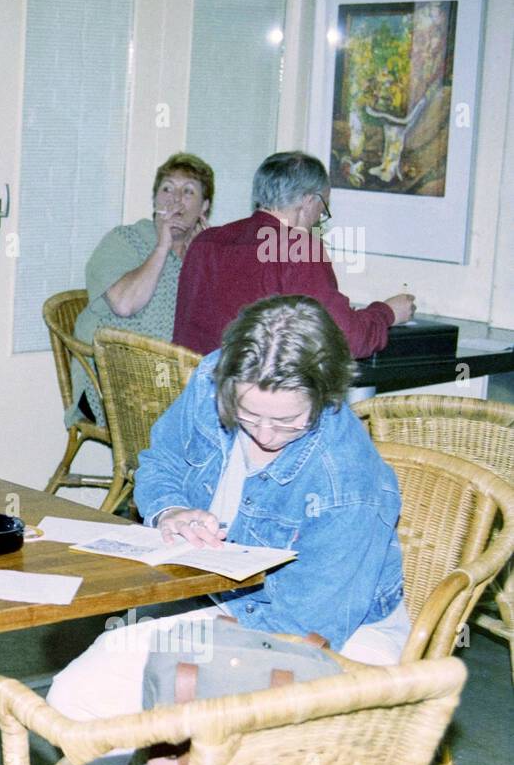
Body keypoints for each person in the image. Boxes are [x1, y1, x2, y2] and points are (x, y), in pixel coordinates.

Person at [48, 295, 409, 730]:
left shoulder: (347, 482)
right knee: (79, 694)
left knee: (116, 696)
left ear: (327, 397)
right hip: (230, 594)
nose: (265, 435)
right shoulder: (213, 378)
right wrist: (171, 510)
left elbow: (303, 629)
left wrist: (194, 640)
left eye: (289, 421)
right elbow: (162, 460)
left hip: (332, 632)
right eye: (248, 414)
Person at [172, 151, 414, 357]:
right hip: (256, 406)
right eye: (323, 207)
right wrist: (388, 312)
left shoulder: (206, 241)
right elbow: (345, 340)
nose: (320, 217)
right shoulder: (297, 248)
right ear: (309, 202)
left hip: (196, 398)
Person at [67, 153, 213, 428]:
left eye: (188, 192)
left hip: (173, 380)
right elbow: (124, 304)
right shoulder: (125, 241)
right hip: (111, 381)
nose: (175, 199)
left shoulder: (205, 256)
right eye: (167, 189)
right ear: (155, 200)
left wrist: (203, 257)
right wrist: (162, 247)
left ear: (204, 208)